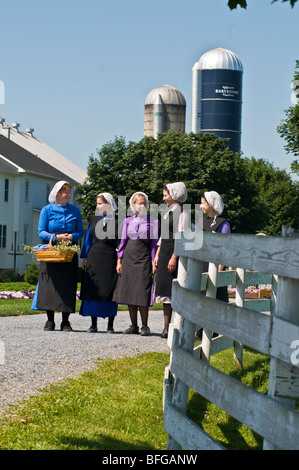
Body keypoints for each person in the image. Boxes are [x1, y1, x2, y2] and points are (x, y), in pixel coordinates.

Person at [35, 181, 84, 331]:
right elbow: (41, 231)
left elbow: (80, 232)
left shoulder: (75, 211)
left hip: (69, 250)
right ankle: (50, 320)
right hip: (51, 249)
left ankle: (65, 321)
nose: (69, 195)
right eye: (66, 192)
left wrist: (70, 236)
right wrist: (56, 238)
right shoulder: (47, 210)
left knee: (68, 284)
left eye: (70, 192)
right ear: (57, 194)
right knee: (49, 284)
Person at [112, 192, 159, 336]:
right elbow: (123, 242)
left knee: (142, 291)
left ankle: (145, 326)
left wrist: (154, 261)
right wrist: (119, 260)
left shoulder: (154, 222)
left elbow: (154, 244)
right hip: (128, 258)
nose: (142, 205)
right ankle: (134, 325)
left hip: (144, 258)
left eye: (144, 202)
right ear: (133, 205)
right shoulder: (127, 221)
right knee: (130, 291)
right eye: (139, 203)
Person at [153, 182, 188, 338]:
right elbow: (163, 236)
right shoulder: (167, 212)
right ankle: (166, 327)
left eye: (165, 195)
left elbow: (182, 237)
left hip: (175, 254)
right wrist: (158, 254)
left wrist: (174, 257)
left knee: (174, 291)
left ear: (174, 195)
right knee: (165, 292)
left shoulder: (183, 212)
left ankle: (178, 327)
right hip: (164, 252)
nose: (163, 198)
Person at [79, 192, 118, 333]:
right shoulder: (94, 219)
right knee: (93, 288)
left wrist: (120, 259)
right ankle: (93, 324)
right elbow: (88, 240)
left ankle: (110, 325)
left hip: (110, 257)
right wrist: (85, 257)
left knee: (110, 289)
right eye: (97, 203)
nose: (97, 206)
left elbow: (120, 242)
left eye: (100, 203)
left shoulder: (118, 220)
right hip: (94, 256)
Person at [196, 190, 231, 339]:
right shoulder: (201, 222)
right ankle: (199, 329)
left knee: (213, 298)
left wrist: (219, 268)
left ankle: (213, 331)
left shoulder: (223, 224)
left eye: (203, 203)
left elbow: (225, 248)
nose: (201, 206)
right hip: (201, 262)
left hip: (214, 264)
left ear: (211, 204)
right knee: (201, 297)